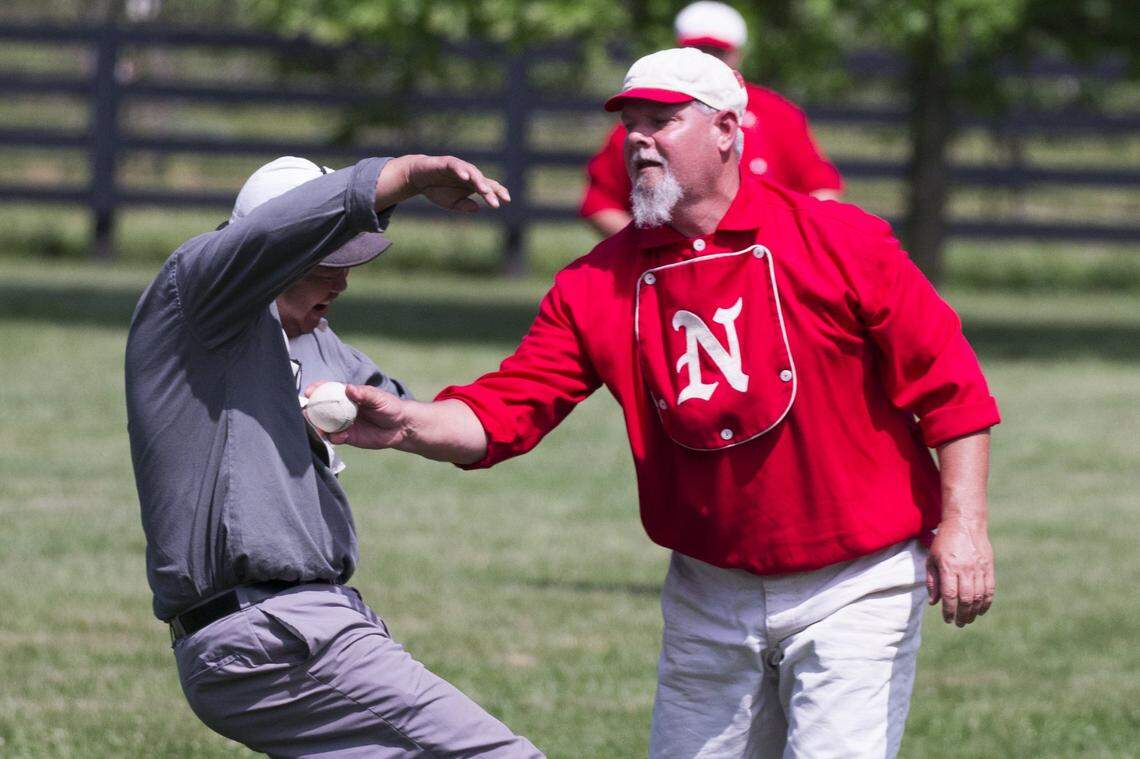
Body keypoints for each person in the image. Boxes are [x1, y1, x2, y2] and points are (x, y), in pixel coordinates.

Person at [327, 49, 1000, 758]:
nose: (640, 139)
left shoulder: (840, 240)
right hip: (709, 591)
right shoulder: (596, 282)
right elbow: (506, 410)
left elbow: (951, 386)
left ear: (727, 132)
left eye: (663, 120)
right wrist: (406, 423)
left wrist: (965, 525)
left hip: (856, 582)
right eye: (631, 125)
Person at [125, 153, 544, 757]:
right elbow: (276, 232)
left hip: (302, 625)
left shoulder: (318, 344)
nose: (342, 281)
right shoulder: (196, 299)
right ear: (266, 257)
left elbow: (431, 419)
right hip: (268, 630)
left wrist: (411, 425)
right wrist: (405, 176)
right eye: (325, 262)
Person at [580, 1, 843, 238]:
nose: (708, 60)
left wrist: (792, 248)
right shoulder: (644, 125)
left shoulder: (777, 112)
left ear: (737, 54)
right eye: (697, 50)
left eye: (717, 51)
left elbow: (821, 190)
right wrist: (650, 253)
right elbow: (601, 203)